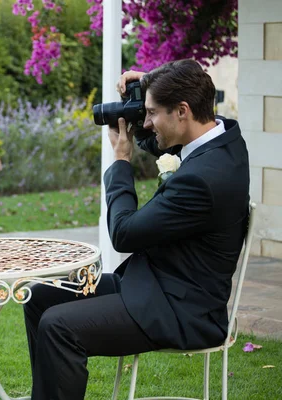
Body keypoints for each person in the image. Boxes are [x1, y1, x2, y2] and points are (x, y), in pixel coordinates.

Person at [23, 59, 250, 399]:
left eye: (152, 112)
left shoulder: (202, 179)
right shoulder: (224, 139)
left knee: (59, 326)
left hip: (181, 310)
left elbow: (124, 233)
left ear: (182, 111)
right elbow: (181, 107)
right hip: (154, 287)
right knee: (39, 296)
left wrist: (120, 160)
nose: (144, 122)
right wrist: (152, 83)